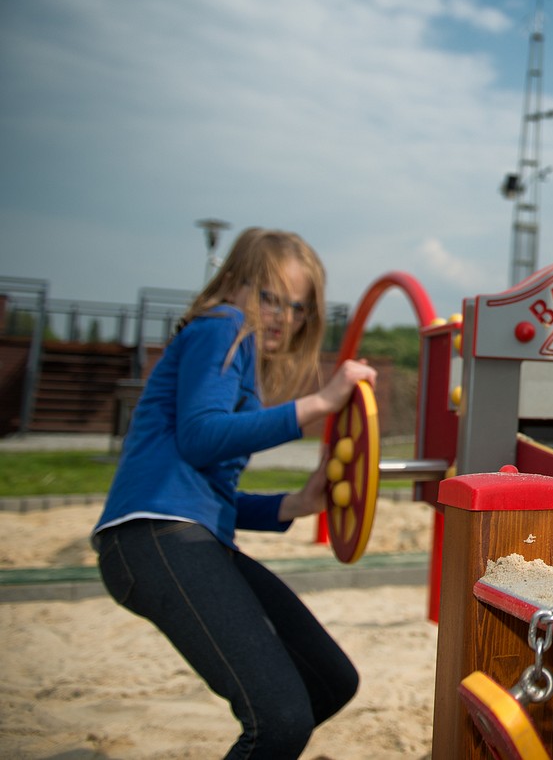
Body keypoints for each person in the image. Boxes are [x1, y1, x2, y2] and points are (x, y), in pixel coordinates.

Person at [92, 227, 378, 757]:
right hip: (152, 536)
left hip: (188, 535)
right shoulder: (222, 325)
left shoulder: (236, 353)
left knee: (329, 681)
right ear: (233, 283)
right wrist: (320, 403)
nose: (282, 317)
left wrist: (293, 505)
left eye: (298, 309)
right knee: (280, 721)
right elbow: (201, 438)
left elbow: (206, 488)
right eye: (270, 297)